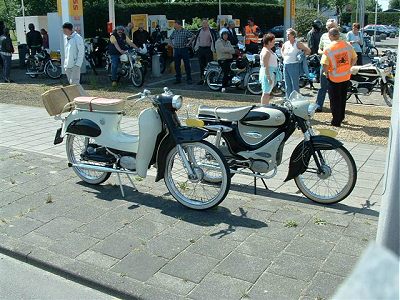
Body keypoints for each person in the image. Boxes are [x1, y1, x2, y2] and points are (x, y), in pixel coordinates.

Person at [321, 28, 357, 127]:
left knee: (334, 100)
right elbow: (355, 57)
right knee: (342, 99)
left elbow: (324, 64)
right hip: (345, 76)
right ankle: (341, 117)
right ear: (338, 35)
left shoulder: (328, 49)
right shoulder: (347, 45)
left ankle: (336, 121)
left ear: (330, 36)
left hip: (334, 78)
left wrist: (326, 73)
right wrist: (349, 67)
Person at [316, 19, 345, 111]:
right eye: (328, 27)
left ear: (336, 27)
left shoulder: (343, 36)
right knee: (322, 86)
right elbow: (319, 49)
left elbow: (347, 50)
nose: (330, 29)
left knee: (336, 87)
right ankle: (318, 105)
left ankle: (336, 107)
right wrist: (323, 52)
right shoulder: (323, 36)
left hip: (337, 65)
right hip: (325, 64)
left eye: (332, 27)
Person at [281, 28, 310, 99]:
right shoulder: (286, 43)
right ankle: (288, 99)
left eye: (288, 35)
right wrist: (284, 57)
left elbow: (308, 50)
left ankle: (296, 101)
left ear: (293, 35)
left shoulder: (298, 44)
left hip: (294, 65)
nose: (287, 36)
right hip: (286, 65)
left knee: (295, 85)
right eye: (286, 34)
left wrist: (302, 55)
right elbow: (282, 50)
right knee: (287, 84)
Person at [169, 20, 194, 84]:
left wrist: (189, 43)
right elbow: (170, 38)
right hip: (176, 50)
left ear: (179, 25)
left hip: (184, 49)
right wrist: (172, 45)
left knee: (187, 64)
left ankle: (189, 79)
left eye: (175, 24)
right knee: (177, 65)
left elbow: (193, 36)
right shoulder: (174, 32)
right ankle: (178, 79)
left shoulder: (185, 31)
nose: (174, 25)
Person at [193, 18, 217, 85]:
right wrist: (196, 48)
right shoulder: (199, 31)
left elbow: (214, 40)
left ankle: (211, 79)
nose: (204, 24)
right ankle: (202, 79)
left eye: (205, 23)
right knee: (201, 65)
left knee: (210, 65)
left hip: (208, 49)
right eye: (203, 23)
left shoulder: (211, 31)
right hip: (200, 49)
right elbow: (197, 40)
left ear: (208, 23)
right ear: (201, 24)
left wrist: (214, 49)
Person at [259, 33, 279, 105]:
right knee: (266, 93)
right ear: (269, 42)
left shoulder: (268, 50)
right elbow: (265, 66)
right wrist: (268, 78)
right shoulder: (266, 52)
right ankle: (263, 107)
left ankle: (265, 106)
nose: (274, 43)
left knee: (268, 92)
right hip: (268, 73)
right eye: (273, 41)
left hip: (271, 72)